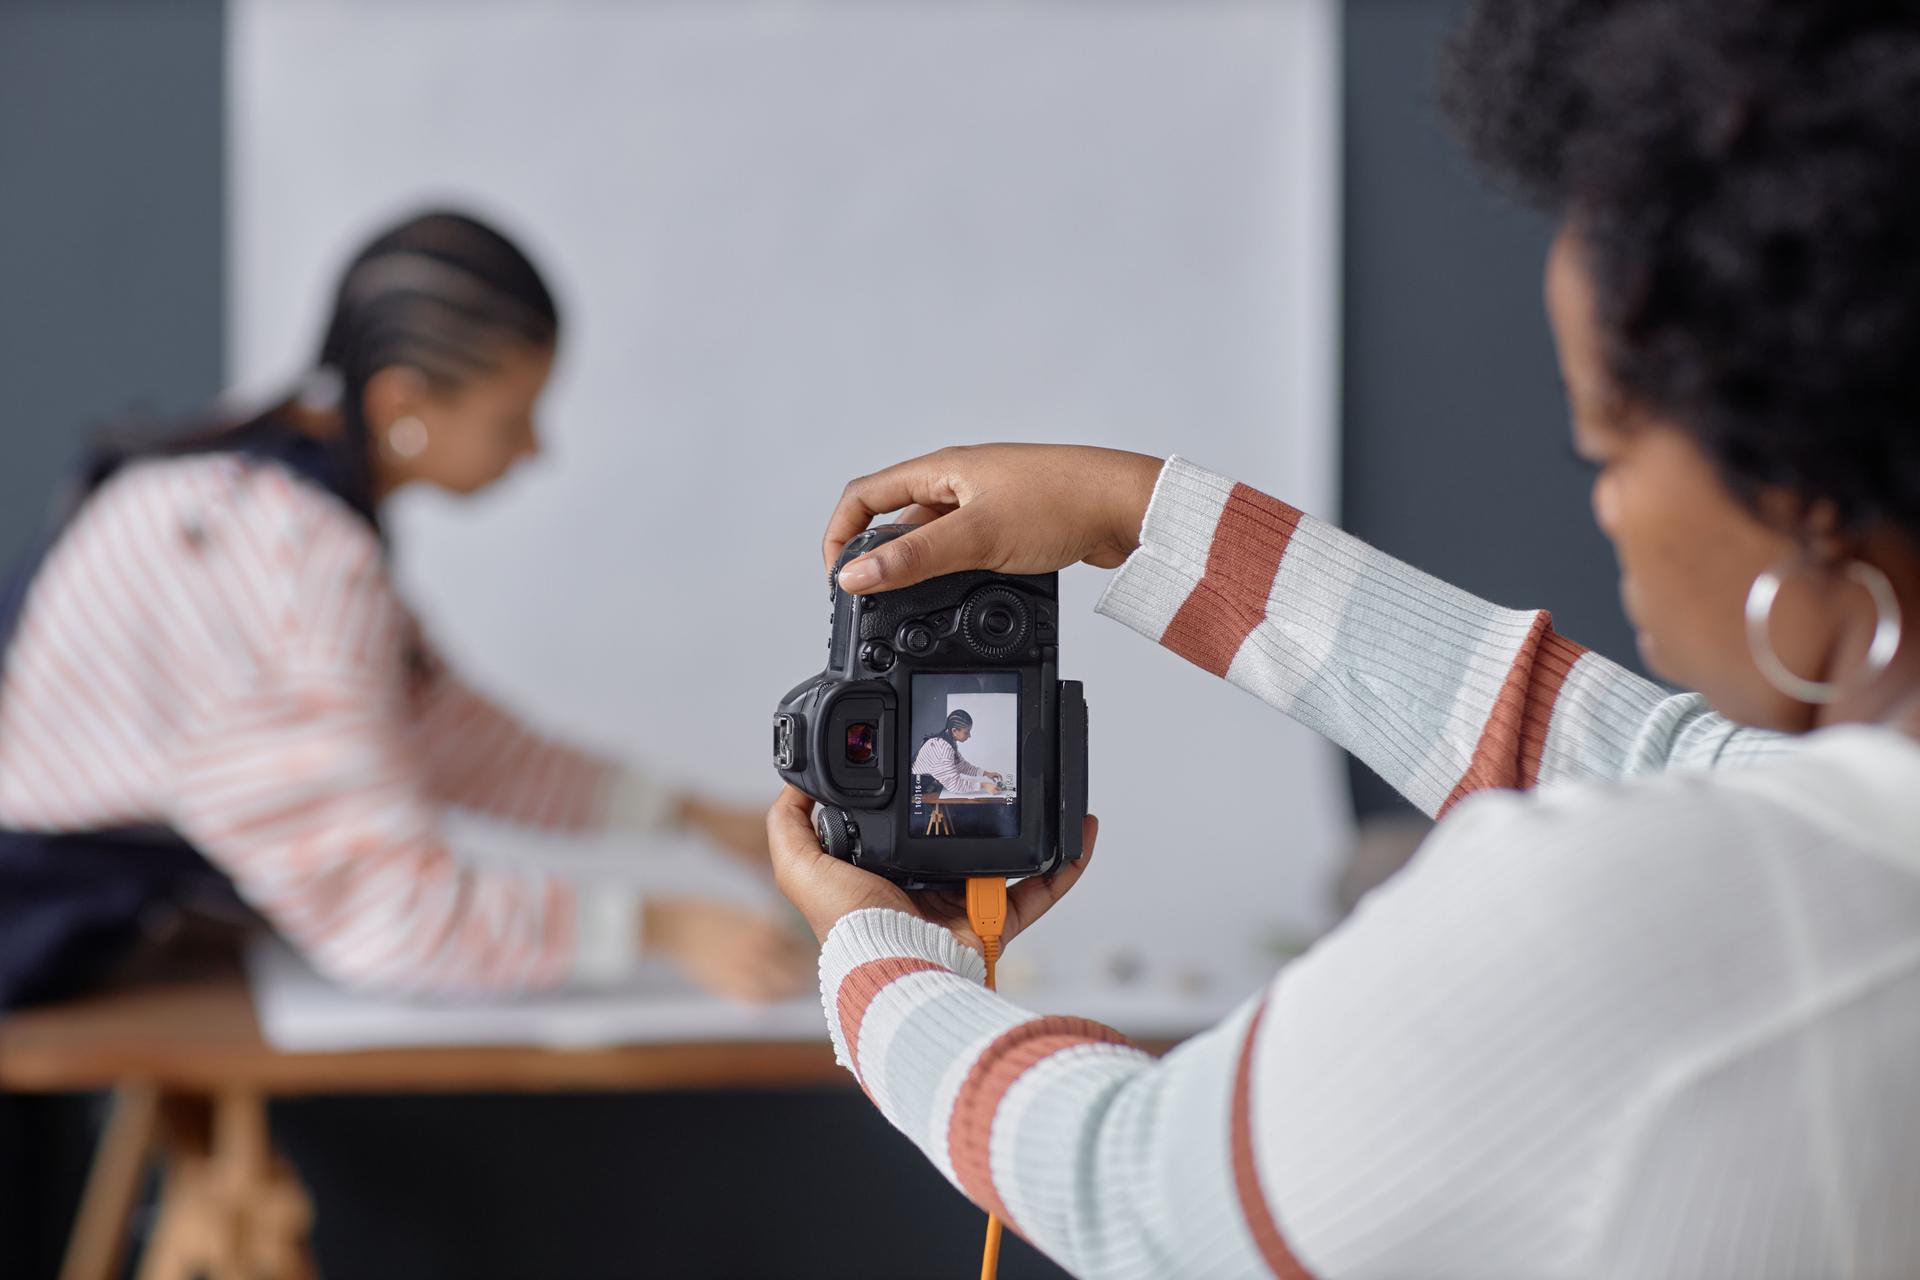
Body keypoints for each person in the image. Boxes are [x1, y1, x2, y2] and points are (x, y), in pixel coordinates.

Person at [767, 0, 1920, 1275]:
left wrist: (872, 947)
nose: (1605, 504)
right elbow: (1602, 745)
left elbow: (1139, 1187)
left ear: (1800, 484)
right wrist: (1133, 514)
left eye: (1610, 444)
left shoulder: (1649, 913)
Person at [0, 210, 810, 1008]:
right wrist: (662, 928)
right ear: (402, 404)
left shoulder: (255, 498)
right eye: (512, 418)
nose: (535, 450)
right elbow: (393, 913)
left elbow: (447, 735)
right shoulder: (303, 568)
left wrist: (694, 818)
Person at [910, 710, 1003, 796]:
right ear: (954, 731)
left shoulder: (946, 741)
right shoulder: (943, 749)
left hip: (926, 783)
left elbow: (961, 765)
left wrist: (986, 774)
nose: (969, 736)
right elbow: (955, 785)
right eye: (966, 732)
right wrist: (984, 785)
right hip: (916, 788)